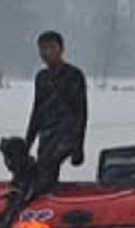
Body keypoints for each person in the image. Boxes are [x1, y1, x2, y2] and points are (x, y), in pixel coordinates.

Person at [24, 30, 88, 196]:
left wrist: (78, 146)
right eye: (42, 48)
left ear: (61, 49)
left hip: (66, 134)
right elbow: (37, 110)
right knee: (41, 171)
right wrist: (28, 141)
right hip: (47, 134)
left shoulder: (73, 75)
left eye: (51, 47)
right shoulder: (42, 78)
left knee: (49, 165)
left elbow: (81, 112)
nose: (46, 52)